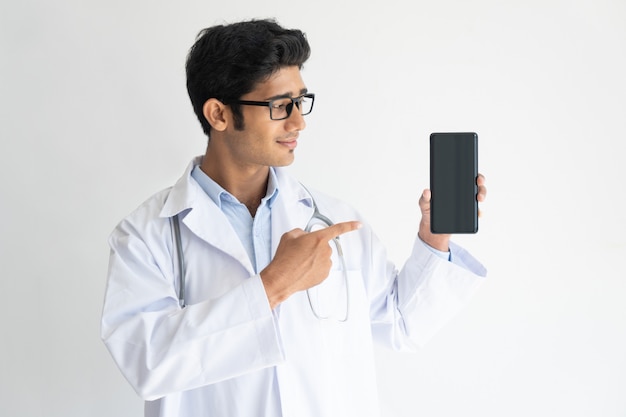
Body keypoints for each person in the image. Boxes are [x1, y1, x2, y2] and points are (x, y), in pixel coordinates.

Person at [101, 18, 488, 417]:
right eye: (279, 106)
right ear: (218, 114)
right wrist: (274, 284)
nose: (299, 122)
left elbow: (401, 324)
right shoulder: (146, 235)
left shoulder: (335, 221)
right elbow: (147, 364)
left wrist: (435, 239)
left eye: (300, 102)